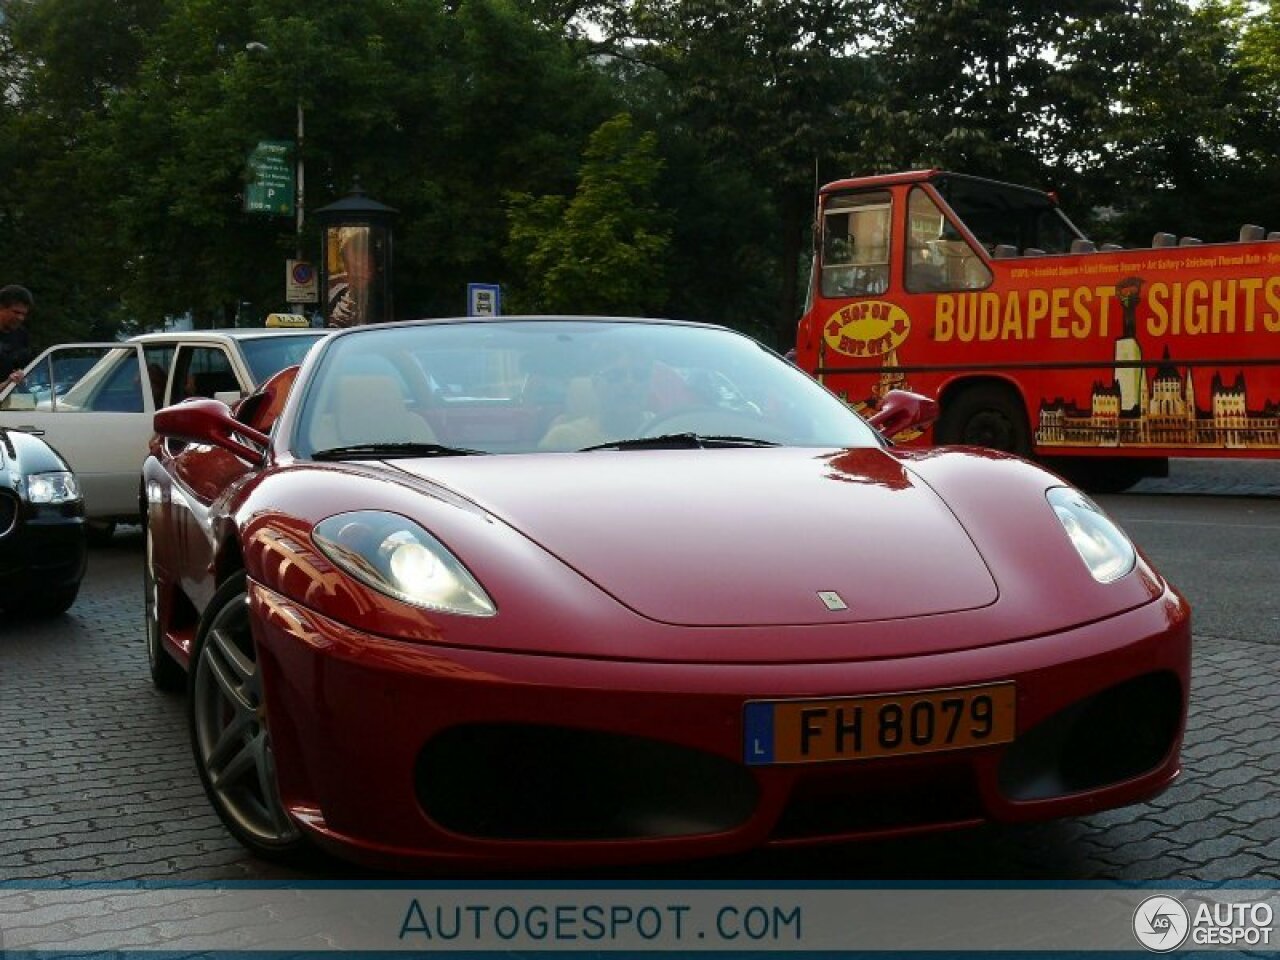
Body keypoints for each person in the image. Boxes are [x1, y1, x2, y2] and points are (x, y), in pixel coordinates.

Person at [539, 345, 655, 450]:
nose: (629, 383)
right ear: (595, 384)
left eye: (640, 375)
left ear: (649, 383)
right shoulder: (564, 438)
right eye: (615, 375)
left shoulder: (667, 428)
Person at [326, 227, 377, 328]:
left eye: (363, 261)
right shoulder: (336, 295)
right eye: (349, 263)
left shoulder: (382, 300)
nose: (356, 271)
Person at [0, 285, 34, 384]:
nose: (20, 318)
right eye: (16, 312)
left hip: (15, 396)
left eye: (24, 314)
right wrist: (7, 384)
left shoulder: (22, 335)